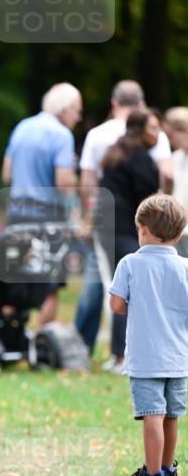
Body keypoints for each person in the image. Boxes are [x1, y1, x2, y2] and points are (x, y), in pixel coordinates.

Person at [75, 80, 173, 357]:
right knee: (130, 287)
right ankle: (124, 352)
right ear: (141, 106)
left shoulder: (100, 137)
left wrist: (90, 219)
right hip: (135, 227)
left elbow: (89, 183)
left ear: (114, 103)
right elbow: (166, 178)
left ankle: (81, 349)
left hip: (105, 222)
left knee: (98, 285)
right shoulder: (151, 142)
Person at [109, 194, 188, 476]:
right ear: (179, 235)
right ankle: (167, 470)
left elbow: (116, 304)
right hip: (179, 357)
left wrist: (137, 305)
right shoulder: (184, 267)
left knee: (152, 414)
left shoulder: (130, 263)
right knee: (171, 416)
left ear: (141, 229)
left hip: (146, 357)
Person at [1, 82, 81, 324]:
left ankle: (10, 340)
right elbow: (63, 182)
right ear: (65, 109)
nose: (78, 118)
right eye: (77, 111)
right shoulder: (62, 135)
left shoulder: (22, 127)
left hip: (17, 216)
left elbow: (7, 175)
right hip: (49, 218)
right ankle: (40, 345)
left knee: (16, 280)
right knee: (49, 285)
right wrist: (74, 215)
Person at [98, 110, 161, 372]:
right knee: (133, 294)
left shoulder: (116, 152)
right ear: (140, 129)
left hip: (108, 229)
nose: (157, 134)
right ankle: (125, 357)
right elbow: (148, 200)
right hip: (127, 230)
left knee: (120, 290)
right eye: (154, 128)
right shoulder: (140, 158)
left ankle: (117, 354)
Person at [164, 106, 188, 256]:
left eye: (171, 135)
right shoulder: (175, 157)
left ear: (185, 130)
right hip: (178, 233)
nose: (170, 141)